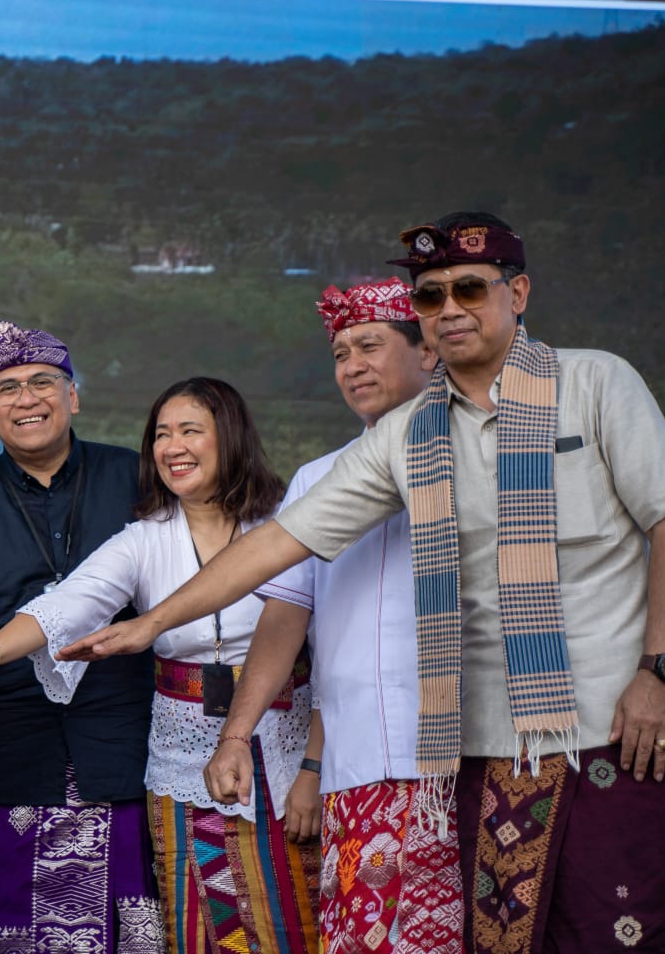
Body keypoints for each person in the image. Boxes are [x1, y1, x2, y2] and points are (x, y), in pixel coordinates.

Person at [57, 213, 665, 953]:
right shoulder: (407, 437)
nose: (450, 310)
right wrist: (153, 624)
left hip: (603, 727)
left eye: (470, 289)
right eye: (432, 297)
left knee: (611, 930)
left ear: (520, 292)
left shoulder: (595, 383)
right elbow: (281, 544)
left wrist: (653, 670)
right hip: (476, 750)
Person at [0, 377, 320, 953]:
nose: (173, 447)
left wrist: (316, 769)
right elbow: (70, 602)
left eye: (190, 431)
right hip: (181, 756)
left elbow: (328, 644)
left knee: (298, 914)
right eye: (161, 435)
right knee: (195, 922)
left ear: (232, 438)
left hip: (282, 747)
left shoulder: (287, 522)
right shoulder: (145, 538)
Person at [201, 278, 461, 954]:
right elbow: (287, 614)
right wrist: (238, 737)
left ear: (428, 351)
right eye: (340, 354)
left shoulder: (478, 452)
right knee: (360, 938)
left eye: (370, 345)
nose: (352, 367)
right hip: (357, 766)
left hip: (460, 761)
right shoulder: (320, 479)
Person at [0, 320, 161, 953]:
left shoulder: (137, 479)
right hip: (5, 758)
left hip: (123, 752)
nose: (27, 398)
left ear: (74, 396)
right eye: (7, 388)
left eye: (43, 381)